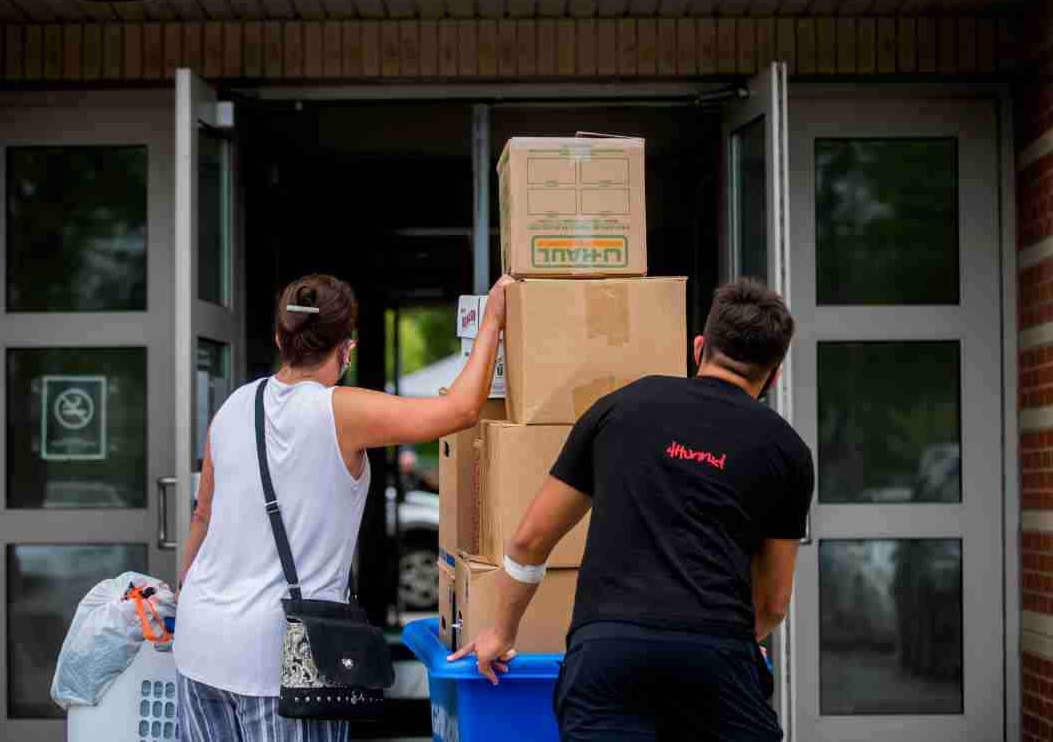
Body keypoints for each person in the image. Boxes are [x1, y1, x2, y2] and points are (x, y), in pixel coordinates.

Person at [451, 278, 814, 742]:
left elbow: (529, 542)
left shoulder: (621, 409)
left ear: (699, 347)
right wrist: (738, 641)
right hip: (714, 657)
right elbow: (773, 602)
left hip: (608, 651)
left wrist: (501, 631)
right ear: (775, 372)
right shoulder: (787, 451)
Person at [175, 272, 512, 742]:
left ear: (280, 337)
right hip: (279, 662)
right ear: (346, 349)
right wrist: (493, 319)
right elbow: (458, 412)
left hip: (199, 644)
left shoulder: (234, 406)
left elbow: (202, 517)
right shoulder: (340, 410)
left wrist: (184, 605)